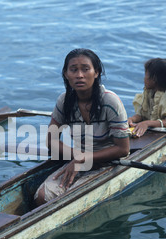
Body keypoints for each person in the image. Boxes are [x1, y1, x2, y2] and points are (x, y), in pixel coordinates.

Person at [34, 49, 130, 206]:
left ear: (96, 72)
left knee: (70, 202)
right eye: (73, 70)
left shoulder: (110, 102)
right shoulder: (64, 101)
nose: (79, 75)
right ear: (66, 74)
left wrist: (85, 158)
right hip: (79, 159)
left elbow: (123, 149)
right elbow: (51, 140)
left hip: (109, 162)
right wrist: (78, 156)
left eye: (85, 69)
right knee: (42, 197)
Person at [128, 58, 166, 137]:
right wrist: (131, 120)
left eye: (146, 75)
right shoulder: (148, 92)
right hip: (153, 129)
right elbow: (142, 114)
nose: (144, 78)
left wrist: (147, 123)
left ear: (154, 79)